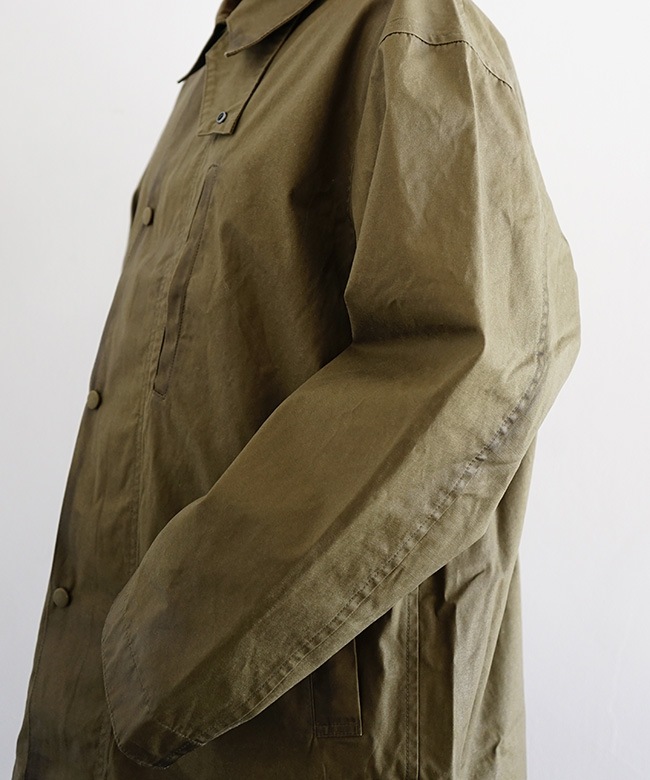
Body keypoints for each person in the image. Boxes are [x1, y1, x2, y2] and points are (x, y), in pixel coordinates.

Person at [12, 0, 581, 777]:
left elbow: (477, 354)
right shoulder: (228, 57)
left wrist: (172, 639)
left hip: (295, 736)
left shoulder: (407, 27)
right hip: (140, 725)